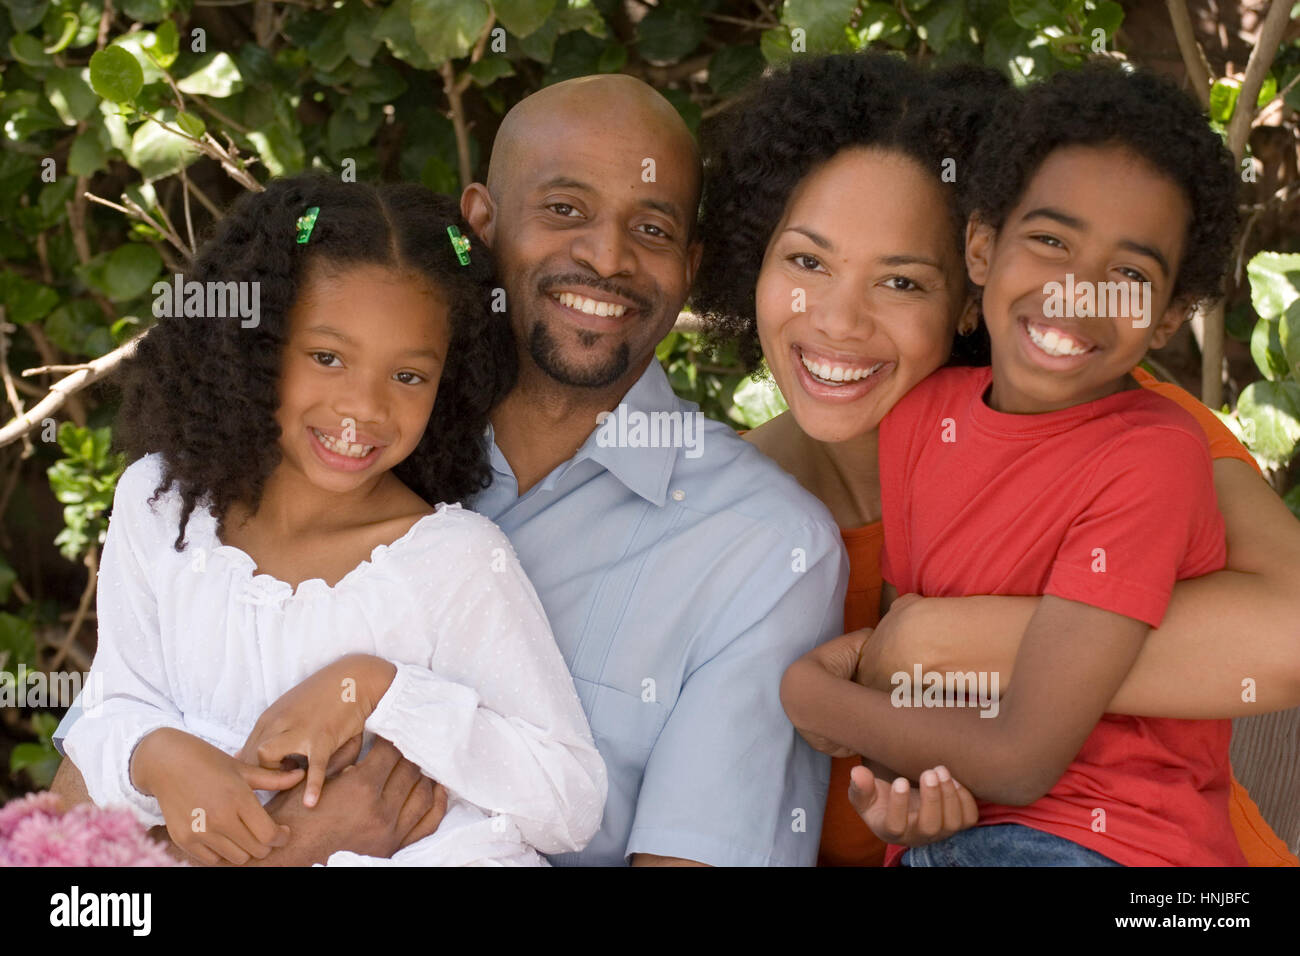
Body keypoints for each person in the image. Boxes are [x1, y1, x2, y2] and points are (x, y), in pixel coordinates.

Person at [54, 75, 848, 867]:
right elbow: (84, 797)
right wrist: (285, 844)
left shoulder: (762, 548)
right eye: (564, 209)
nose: (607, 257)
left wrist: (358, 737)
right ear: (482, 222)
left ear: (690, 263)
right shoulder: (320, 461)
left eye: (652, 227)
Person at [694, 52, 1300, 866]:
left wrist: (929, 642)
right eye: (807, 262)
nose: (838, 321)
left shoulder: (1119, 426)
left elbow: (1286, 641)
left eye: (903, 283)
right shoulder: (717, 515)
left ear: (968, 288)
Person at [61, 175, 607, 866]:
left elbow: (569, 799)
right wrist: (155, 755)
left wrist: (380, 689)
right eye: (327, 357)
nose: (365, 408)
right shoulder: (160, 505)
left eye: (408, 376)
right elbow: (110, 708)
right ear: (256, 347)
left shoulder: (452, 559)